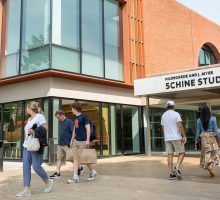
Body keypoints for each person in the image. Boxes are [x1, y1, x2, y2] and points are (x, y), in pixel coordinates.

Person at [16, 101, 53, 197]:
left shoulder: (39, 116)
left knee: (36, 167)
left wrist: (34, 131)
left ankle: (48, 181)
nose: (25, 109)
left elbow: (46, 128)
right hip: (26, 145)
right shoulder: (29, 119)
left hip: (35, 145)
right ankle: (26, 189)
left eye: (26, 107)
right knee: (26, 167)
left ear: (30, 108)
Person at [67, 102, 97, 183]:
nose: (71, 110)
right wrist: (71, 140)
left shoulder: (84, 117)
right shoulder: (75, 118)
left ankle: (93, 172)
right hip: (76, 141)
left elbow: (88, 129)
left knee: (84, 159)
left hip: (83, 141)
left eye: (72, 108)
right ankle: (75, 176)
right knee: (75, 158)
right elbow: (74, 130)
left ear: (75, 108)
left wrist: (87, 140)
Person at [50, 110, 84, 179]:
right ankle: (57, 173)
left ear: (63, 115)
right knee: (58, 158)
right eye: (57, 118)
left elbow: (74, 132)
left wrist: (71, 141)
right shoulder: (60, 122)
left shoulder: (69, 122)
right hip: (60, 144)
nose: (58, 119)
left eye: (59, 117)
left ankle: (80, 168)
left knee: (71, 159)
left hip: (67, 144)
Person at [161, 100, 187, 180]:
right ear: (174, 107)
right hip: (176, 137)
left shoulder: (163, 115)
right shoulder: (176, 114)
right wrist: (184, 136)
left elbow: (163, 127)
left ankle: (171, 174)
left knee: (170, 155)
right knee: (182, 152)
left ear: (167, 107)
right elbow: (179, 125)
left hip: (167, 138)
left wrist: (167, 135)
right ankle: (177, 167)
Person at [195, 106, 220, 177]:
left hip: (204, 138)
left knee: (206, 153)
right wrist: (219, 138)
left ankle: (209, 165)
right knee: (215, 152)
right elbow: (215, 130)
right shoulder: (213, 119)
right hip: (212, 137)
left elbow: (198, 131)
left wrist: (196, 139)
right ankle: (211, 165)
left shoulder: (198, 120)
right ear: (209, 112)